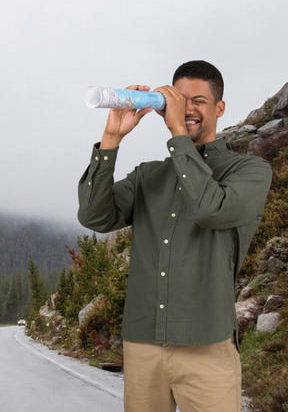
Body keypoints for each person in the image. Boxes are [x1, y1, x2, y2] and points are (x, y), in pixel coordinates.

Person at [78, 60, 272, 412]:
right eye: (177, 99)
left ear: (220, 108)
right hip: (142, 345)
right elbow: (94, 216)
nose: (185, 108)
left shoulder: (250, 170)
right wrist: (111, 139)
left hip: (206, 344)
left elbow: (211, 209)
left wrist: (178, 136)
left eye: (197, 100)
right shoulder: (148, 176)